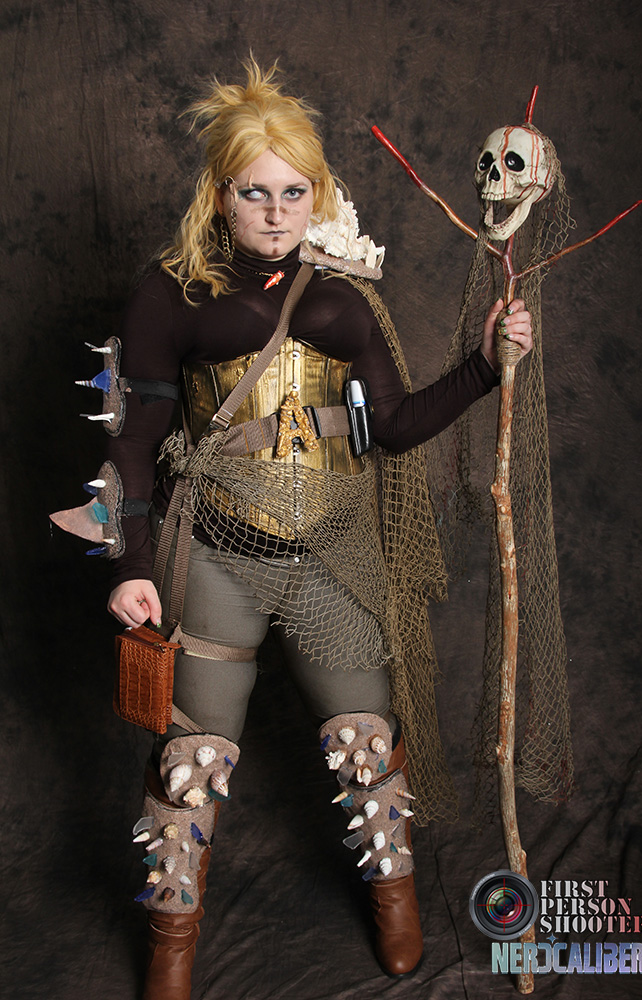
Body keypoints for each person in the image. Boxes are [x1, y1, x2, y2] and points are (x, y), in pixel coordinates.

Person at [104, 59, 532, 999]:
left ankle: (396, 901)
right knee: (189, 764)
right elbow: (133, 441)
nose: (275, 211)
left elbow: (396, 427)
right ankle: (172, 942)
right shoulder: (170, 291)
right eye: (254, 192)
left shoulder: (345, 292)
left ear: (318, 194)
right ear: (221, 194)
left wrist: (484, 365)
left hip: (330, 559)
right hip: (213, 555)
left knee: (367, 745)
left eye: (293, 192)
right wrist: (131, 564)